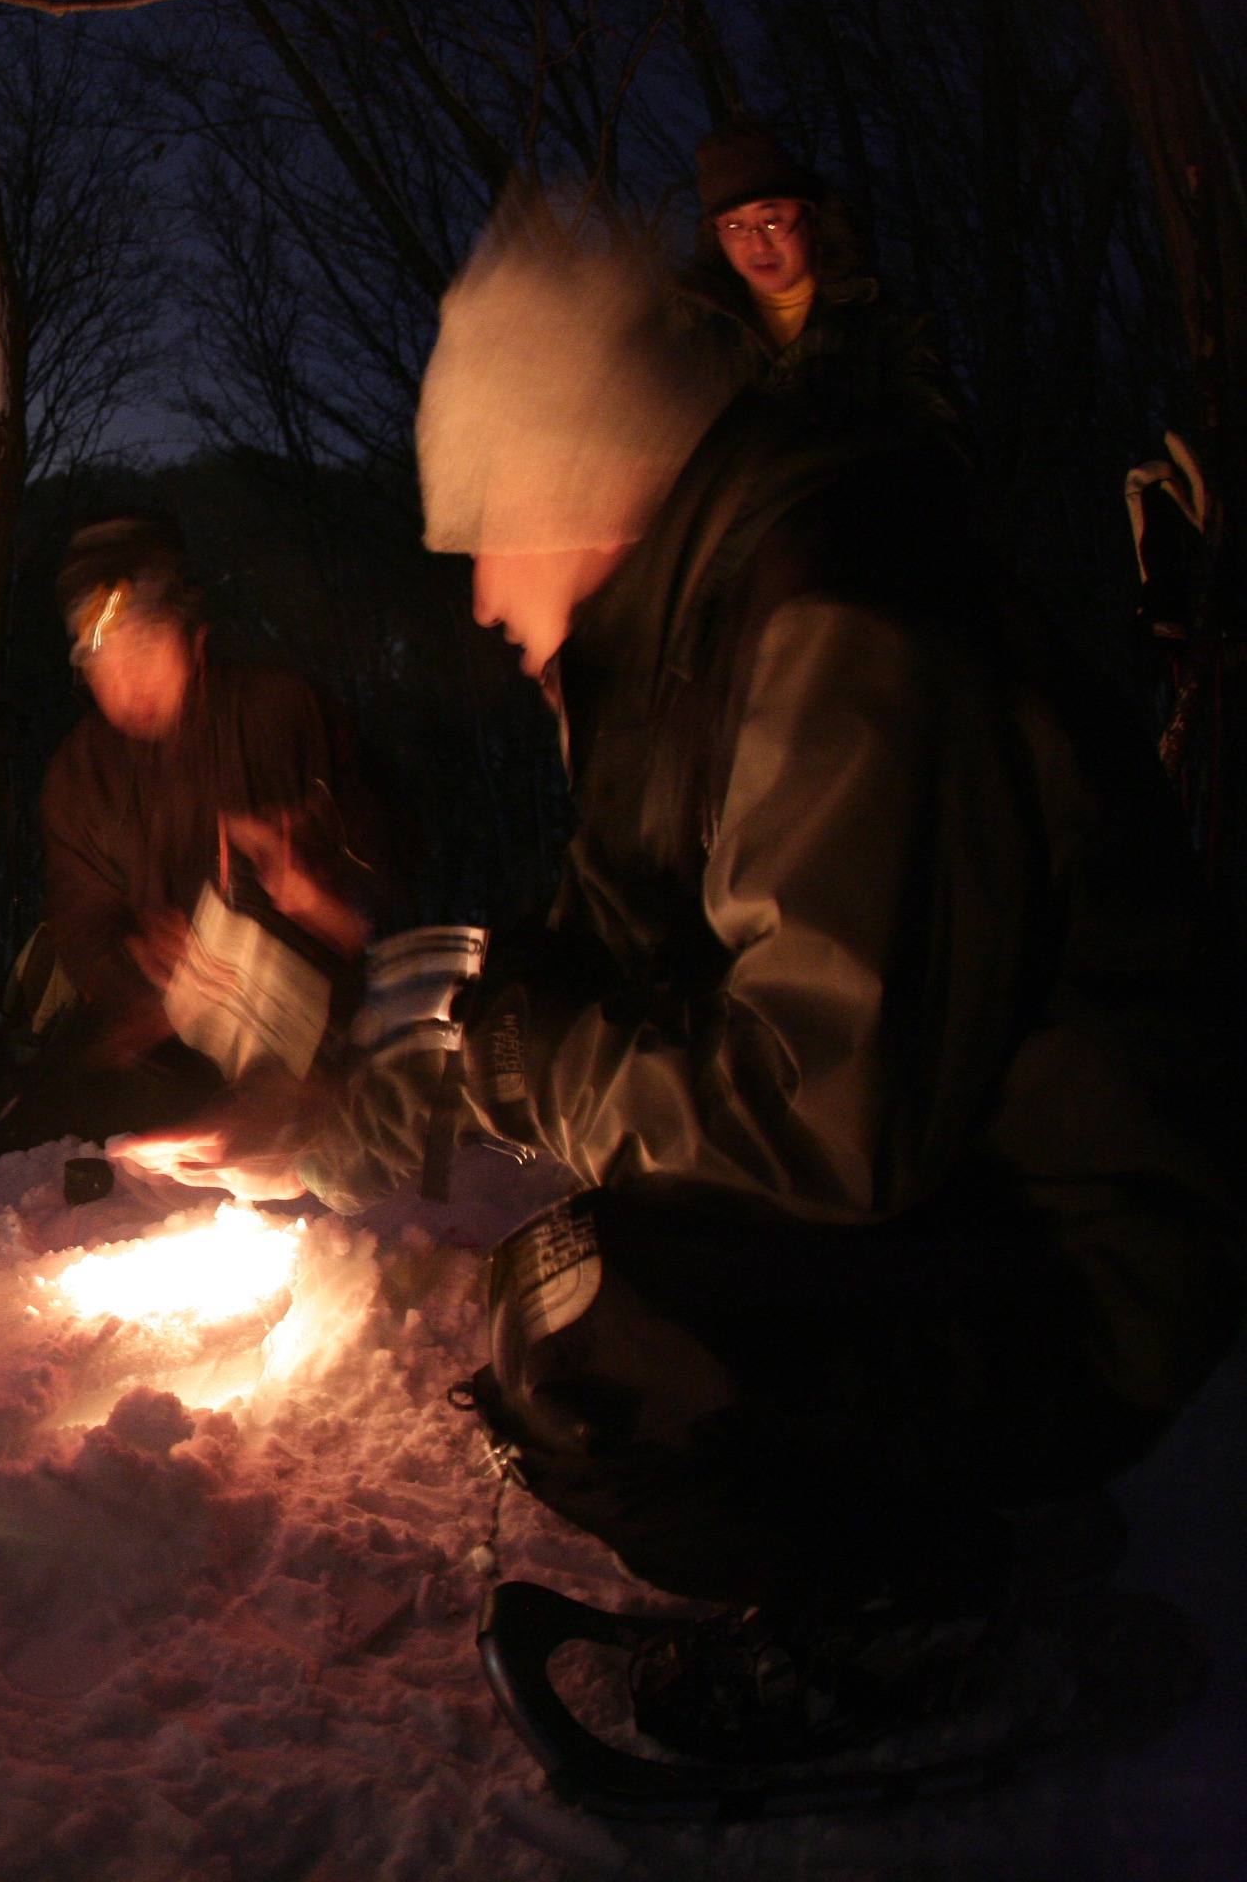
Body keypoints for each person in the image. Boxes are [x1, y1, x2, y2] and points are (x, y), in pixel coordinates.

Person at [171, 202, 1240, 1762]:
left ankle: (948, 1590)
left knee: (593, 1338)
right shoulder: (683, 653)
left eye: (485, 534)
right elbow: (558, 976)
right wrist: (328, 1122)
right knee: (582, 1286)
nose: (478, 598)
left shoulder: (836, 627)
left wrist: (545, 1071)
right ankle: (939, 1513)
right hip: (980, 1209)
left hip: (1088, 1259)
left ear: (579, 478)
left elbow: (825, 1119)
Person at [0, 515, 376, 1151]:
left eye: (144, 644)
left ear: (193, 639)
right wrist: (138, 959)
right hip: (171, 1037)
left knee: (358, 1102)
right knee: (50, 1119)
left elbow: (382, 869)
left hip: (314, 1030)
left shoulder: (278, 711)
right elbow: (79, 919)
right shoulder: (80, 775)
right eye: (101, 661)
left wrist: (314, 890)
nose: (128, 680)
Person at [677, 121, 957, 431]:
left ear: (810, 220)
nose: (757, 243)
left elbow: (943, 444)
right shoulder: (690, 333)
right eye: (735, 226)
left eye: (772, 221)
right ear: (715, 235)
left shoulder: (890, 326)